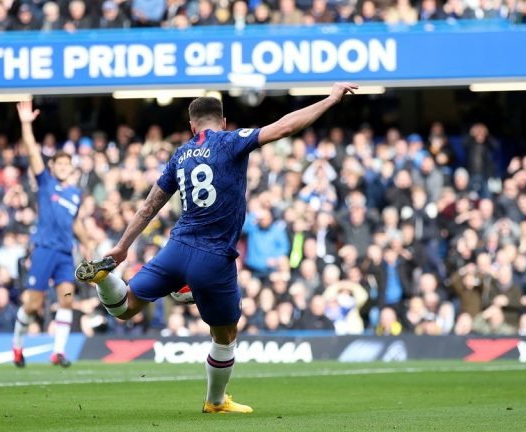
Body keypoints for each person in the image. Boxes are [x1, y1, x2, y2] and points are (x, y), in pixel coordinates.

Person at [75, 82, 358, 413]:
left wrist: (122, 247)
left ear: (191, 126)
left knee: (124, 307)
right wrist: (330, 99)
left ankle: (104, 278)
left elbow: (149, 207)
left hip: (177, 247)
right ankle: (215, 401)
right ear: (223, 122)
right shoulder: (231, 140)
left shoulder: (180, 154)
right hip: (214, 256)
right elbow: (284, 127)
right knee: (225, 335)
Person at [12, 101, 92, 368]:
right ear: (53, 166)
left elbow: (75, 223)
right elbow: (33, 151)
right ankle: (17, 344)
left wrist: (87, 245)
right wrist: (26, 124)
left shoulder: (75, 194)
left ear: (71, 167)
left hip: (64, 254)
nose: (63, 167)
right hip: (44, 249)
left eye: (67, 164)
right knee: (33, 304)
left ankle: (58, 352)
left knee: (67, 298)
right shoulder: (45, 183)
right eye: (59, 163)